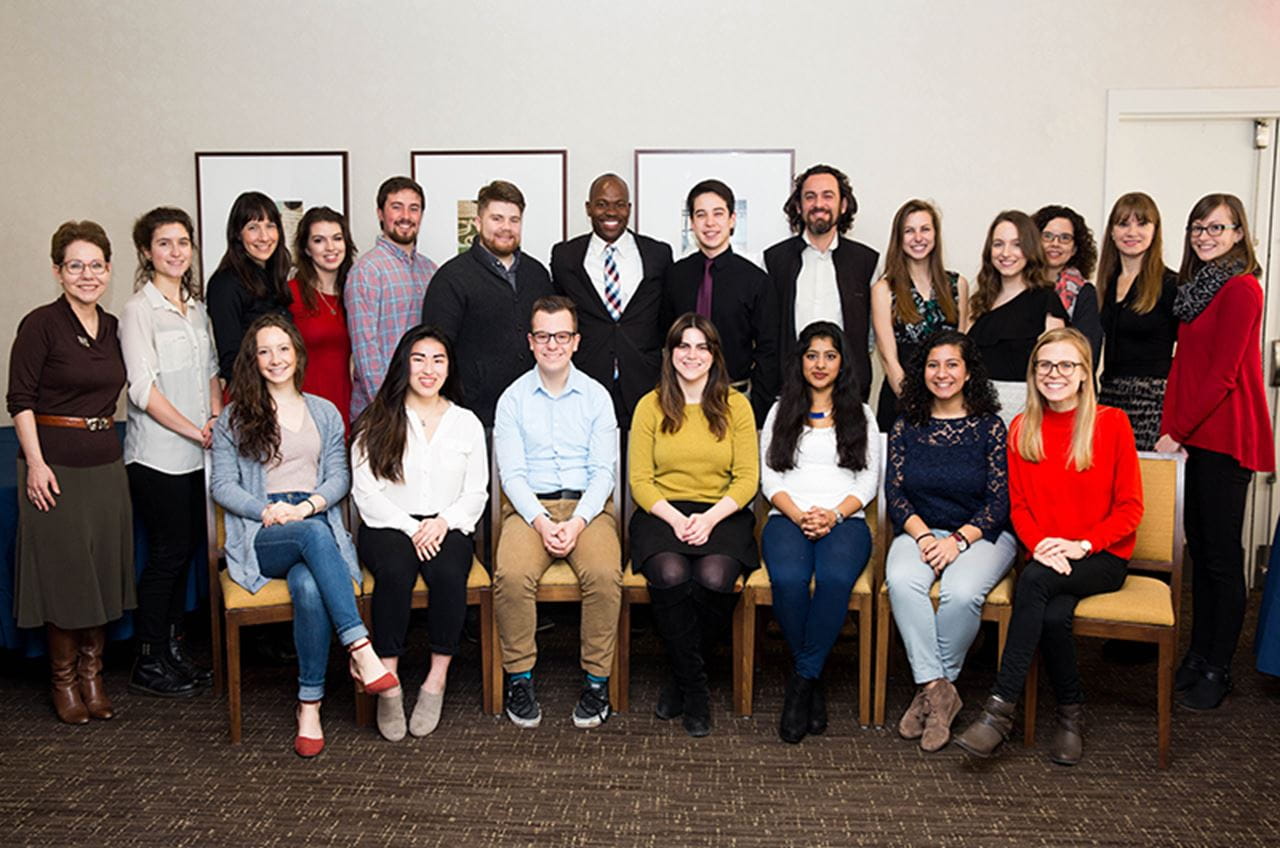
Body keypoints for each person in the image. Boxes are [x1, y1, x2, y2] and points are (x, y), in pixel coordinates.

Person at [210, 314, 398, 757]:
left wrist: (309, 505)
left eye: (283, 349)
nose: (275, 359)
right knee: (313, 538)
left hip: (313, 517)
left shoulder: (325, 411)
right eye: (264, 351)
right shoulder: (235, 417)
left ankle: (308, 706)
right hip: (262, 531)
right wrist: (267, 510)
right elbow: (222, 485)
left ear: (298, 353)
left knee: (310, 586)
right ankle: (360, 647)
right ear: (253, 361)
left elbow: (338, 476)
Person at [955, 328, 1143, 766]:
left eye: (1066, 365)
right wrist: (1041, 545)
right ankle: (1071, 715)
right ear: (1033, 372)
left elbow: (1131, 509)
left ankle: (999, 712)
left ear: (1084, 374)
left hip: (1101, 557)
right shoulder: (1023, 427)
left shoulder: (1111, 423)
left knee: (1035, 585)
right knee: (1054, 614)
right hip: (1044, 554)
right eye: (1044, 365)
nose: (1053, 373)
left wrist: (1081, 545)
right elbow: (1017, 505)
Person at [7, 220, 133, 724]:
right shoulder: (40, 324)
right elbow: (20, 400)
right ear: (58, 271)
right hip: (54, 466)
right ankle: (63, 683)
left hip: (105, 463)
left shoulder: (113, 327)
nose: (87, 275)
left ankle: (92, 674)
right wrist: (35, 464)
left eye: (96, 265)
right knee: (65, 576)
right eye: (75, 265)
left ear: (108, 270)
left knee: (101, 572)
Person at [1157, 193, 1275, 711]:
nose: (1206, 236)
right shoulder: (1197, 291)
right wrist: (1174, 429)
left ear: (1238, 234)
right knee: (1200, 554)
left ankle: (1217, 666)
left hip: (1226, 437)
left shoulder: (1242, 288)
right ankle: (1198, 653)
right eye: (1198, 228)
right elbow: (1185, 370)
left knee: (1223, 560)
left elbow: (1223, 376)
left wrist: (1175, 431)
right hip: (1194, 437)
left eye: (1218, 228)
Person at [351, 325, 487, 741]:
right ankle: (388, 678)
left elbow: (476, 491)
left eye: (438, 360)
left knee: (448, 574)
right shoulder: (377, 418)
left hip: (448, 523)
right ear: (403, 365)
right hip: (389, 524)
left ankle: (436, 679)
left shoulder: (466, 423)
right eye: (419, 359)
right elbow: (365, 492)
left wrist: (442, 522)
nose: (429, 369)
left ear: (450, 368)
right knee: (394, 571)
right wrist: (413, 528)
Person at [492, 297, 621, 729]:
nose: (552, 345)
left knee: (605, 575)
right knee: (510, 576)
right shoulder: (511, 400)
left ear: (576, 341)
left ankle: (597, 680)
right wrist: (544, 523)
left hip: (589, 506)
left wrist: (579, 521)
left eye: (561, 336)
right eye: (543, 336)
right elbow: (512, 475)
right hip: (530, 508)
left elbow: (605, 472)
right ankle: (520, 677)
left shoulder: (597, 397)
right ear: (530, 342)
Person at [629, 313, 760, 737]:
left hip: (721, 511)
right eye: (683, 346)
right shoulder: (650, 405)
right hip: (662, 511)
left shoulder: (736, 405)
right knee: (670, 572)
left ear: (714, 355)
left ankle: (679, 678)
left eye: (702, 346)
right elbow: (640, 482)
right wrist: (677, 518)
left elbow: (747, 479)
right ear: (669, 354)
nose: (692, 354)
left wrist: (708, 518)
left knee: (715, 575)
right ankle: (697, 690)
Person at [884, 330, 1015, 752]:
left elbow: (1000, 501)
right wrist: (924, 535)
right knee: (904, 582)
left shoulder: (991, 427)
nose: (942, 374)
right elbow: (896, 494)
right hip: (920, 529)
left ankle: (929, 695)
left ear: (968, 371)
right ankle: (940, 692)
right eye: (933, 364)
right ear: (921, 371)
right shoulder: (906, 424)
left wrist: (957, 541)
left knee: (961, 593)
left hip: (982, 534)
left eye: (952, 364)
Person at [759, 321, 879, 743]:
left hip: (845, 520)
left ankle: (802, 681)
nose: (821, 364)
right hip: (787, 518)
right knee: (789, 581)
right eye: (812, 355)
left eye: (830, 355)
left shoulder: (861, 413)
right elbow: (770, 481)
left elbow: (866, 485)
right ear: (800, 361)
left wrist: (831, 515)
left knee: (833, 580)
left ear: (842, 361)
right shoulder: (779, 410)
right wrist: (799, 515)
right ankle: (812, 676)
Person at [120, 207, 221, 698]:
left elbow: (211, 373)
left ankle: (173, 652)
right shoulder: (138, 311)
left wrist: (216, 420)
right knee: (167, 554)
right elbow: (143, 389)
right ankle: (147, 659)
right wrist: (193, 429)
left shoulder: (195, 308)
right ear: (146, 251)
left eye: (183, 242)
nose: (176, 252)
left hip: (195, 455)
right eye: (165, 243)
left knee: (184, 556)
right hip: (157, 455)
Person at [421, 180, 555, 427]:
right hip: (474, 417)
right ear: (478, 222)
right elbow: (436, 352)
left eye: (514, 220)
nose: (506, 227)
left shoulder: (537, 274)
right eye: (497, 218)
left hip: (534, 411)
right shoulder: (451, 279)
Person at [550, 173, 673, 424]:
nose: (610, 212)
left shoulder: (657, 254)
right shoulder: (565, 256)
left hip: (645, 384)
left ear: (628, 209)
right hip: (584, 383)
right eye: (602, 204)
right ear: (588, 208)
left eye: (619, 204)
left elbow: (666, 316)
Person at [662, 179, 779, 426]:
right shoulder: (674, 276)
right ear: (692, 223)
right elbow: (662, 339)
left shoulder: (756, 280)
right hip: (680, 400)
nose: (710, 223)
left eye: (718, 213)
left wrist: (757, 408)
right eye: (701, 215)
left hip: (736, 399)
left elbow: (769, 351)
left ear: (732, 219)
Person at [765, 164, 879, 404]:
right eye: (810, 196)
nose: (819, 204)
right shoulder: (773, 260)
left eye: (828, 196)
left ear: (843, 205)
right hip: (788, 391)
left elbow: (870, 335)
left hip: (848, 392)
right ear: (799, 206)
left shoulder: (867, 262)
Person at [870, 199, 968, 432]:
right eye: (909, 231)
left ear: (935, 234)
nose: (918, 238)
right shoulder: (884, 289)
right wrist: (918, 405)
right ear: (899, 238)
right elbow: (888, 359)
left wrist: (945, 404)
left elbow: (963, 353)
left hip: (951, 402)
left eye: (925, 229)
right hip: (902, 401)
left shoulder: (957, 284)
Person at [346, 176, 438, 419]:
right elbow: (366, 351)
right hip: (380, 412)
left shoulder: (431, 271)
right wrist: (389, 409)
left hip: (423, 408)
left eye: (414, 208)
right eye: (396, 207)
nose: (405, 216)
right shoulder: (366, 271)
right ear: (380, 213)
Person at [1095, 192, 1179, 451]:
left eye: (1142, 223)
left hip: (1153, 402)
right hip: (1109, 398)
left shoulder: (1171, 284)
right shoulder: (1105, 285)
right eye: (1123, 224)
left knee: (1147, 487)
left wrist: (1176, 427)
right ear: (1111, 232)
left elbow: (1190, 356)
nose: (1132, 232)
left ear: (1155, 231)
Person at [967, 211, 1068, 424]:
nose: (1006, 253)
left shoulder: (1046, 300)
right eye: (998, 244)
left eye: (1016, 244)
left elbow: (1056, 368)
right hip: (977, 412)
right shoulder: (978, 302)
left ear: (1030, 249)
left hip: (1026, 413)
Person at [206, 191, 292, 384]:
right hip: (250, 397)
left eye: (270, 226)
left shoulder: (275, 277)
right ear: (238, 234)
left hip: (281, 390)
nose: (264, 237)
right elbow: (231, 360)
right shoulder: (225, 284)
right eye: (253, 227)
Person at [289, 207, 357, 431]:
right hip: (304, 407)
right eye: (319, 240)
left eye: (337, 238)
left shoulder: (354, 293)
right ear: (307, 249)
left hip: (346, 405)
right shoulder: (290, 294)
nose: (330, 247)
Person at [1033, 205, 1102, 363]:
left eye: (1065, 238)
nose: (1055, 243)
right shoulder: (1018, 287)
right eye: (1047, 236)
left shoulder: (1085, 292)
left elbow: (1088, 353)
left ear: (1075, 249)